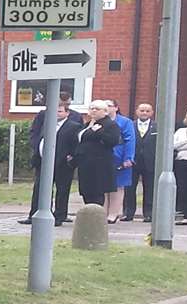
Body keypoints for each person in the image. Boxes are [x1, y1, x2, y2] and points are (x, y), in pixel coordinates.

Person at [22, 96, 82, 226]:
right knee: (40, 189)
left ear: (67, 113)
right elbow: (36, 135)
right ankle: (35, 214)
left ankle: (59, 216)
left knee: (62, 190)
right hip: (43, 162)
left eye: (60, 111)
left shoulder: (73, 126)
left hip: (62, 164)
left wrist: (71, 158)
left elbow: (76, 144)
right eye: (54, 111)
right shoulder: (47, 123)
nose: (56, 114)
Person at [72, 100, 121, 210]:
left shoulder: (110, 124)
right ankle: (89, 215)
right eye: (91, 108)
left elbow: (113, 141)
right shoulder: (87, 125)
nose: (93, 110)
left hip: (99, 164)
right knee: (87, 192)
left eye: (97, 109)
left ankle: (96, 218)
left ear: (105, 112)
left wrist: (99, 132)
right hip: (85, 163)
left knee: (97, 192)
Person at [126, 102, 157, 222]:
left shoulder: (157, 126)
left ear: (152, 113)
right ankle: (128, 212)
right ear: (137, 111)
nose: (144, 113)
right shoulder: (130, 125)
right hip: (133, 161)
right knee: (130, 188)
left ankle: (148, 213)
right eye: (142, 110)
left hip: (150, 161)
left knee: (149, 188)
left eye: (147, 111)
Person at [108, 100, 137, 226]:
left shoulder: (125, 122)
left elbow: (130, 140)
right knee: (104, 186)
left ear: (116, 108)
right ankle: (103, 212)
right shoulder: (99, 122)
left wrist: (128, 158)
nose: (107, 108)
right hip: (103, 157)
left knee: (118, 186)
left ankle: (113, 213)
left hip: (119, 156)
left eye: (109, 106)